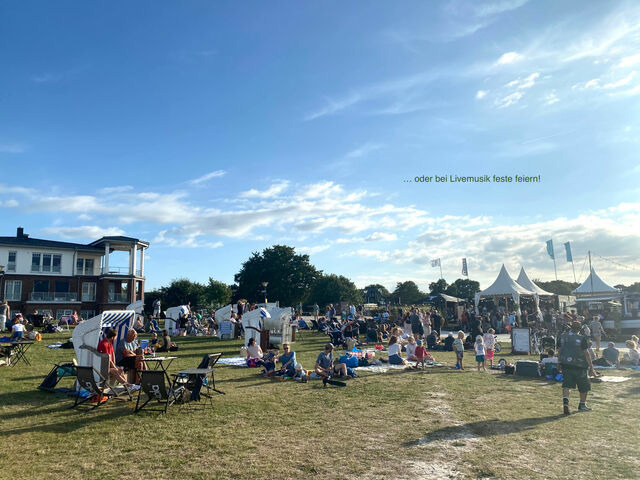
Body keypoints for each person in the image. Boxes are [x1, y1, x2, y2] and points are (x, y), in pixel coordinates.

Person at [558, 321, 597, 415]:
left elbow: (559, 351)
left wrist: (559, 363)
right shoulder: (582, 338)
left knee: (566, 385)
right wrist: (591, 368)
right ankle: (582, 404)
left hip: (566, 364)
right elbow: (586, 353)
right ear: (580, 329)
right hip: (580, 365)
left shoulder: (562, 336)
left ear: (571, 327)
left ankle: (566, 403)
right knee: (584, 386)